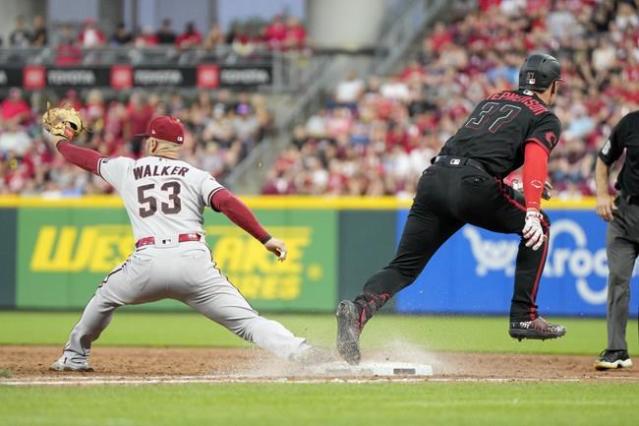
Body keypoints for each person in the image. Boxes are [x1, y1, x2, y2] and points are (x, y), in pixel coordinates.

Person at [45, 114, 326, 371]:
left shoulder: (128, 169)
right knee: (248, 322)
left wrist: (60, 142)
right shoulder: (196, 176)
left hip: (147, 262)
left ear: (153, 142)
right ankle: (299, 350)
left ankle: (75, 357)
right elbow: (227, 202)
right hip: (194, 263)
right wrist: (265, 238)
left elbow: (85, 158)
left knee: (104, 299)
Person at [336, 53, 567, 365]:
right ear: (552, 86)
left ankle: (358, 312)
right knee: (541, 226)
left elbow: (481, 145)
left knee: (403, 267)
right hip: (471, 185)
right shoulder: (545, 115)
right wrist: (532, 209)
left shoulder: (492, 99)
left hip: (435, 177)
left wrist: (516, 182)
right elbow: (535, 158)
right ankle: (524, 316)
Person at [593, 109, 639, 370]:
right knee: (618, 281)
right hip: (624, 214)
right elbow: (603, 159)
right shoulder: (631, 122)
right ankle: (616, 350)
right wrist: (601, 194)